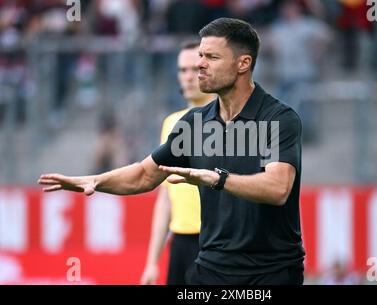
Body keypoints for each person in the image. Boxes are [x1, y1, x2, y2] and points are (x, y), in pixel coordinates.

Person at [38, 17, 305, 285]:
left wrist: (218, 179)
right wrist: (96, 180)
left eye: (211, 57)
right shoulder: (193, 124)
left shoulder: (276, 119)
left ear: (243, 64)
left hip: (270, 274)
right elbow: (144, 175)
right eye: (201, 55)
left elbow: (278, 187)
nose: (200, 64)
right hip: (211, 269)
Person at [140, 41, 215, 285]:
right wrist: (152, 262)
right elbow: (166, 198)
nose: (188, 77)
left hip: (217, 242)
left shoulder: (231, 123)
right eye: (182, 70)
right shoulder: (171, 123)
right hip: (181, 242)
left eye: (195, 69)